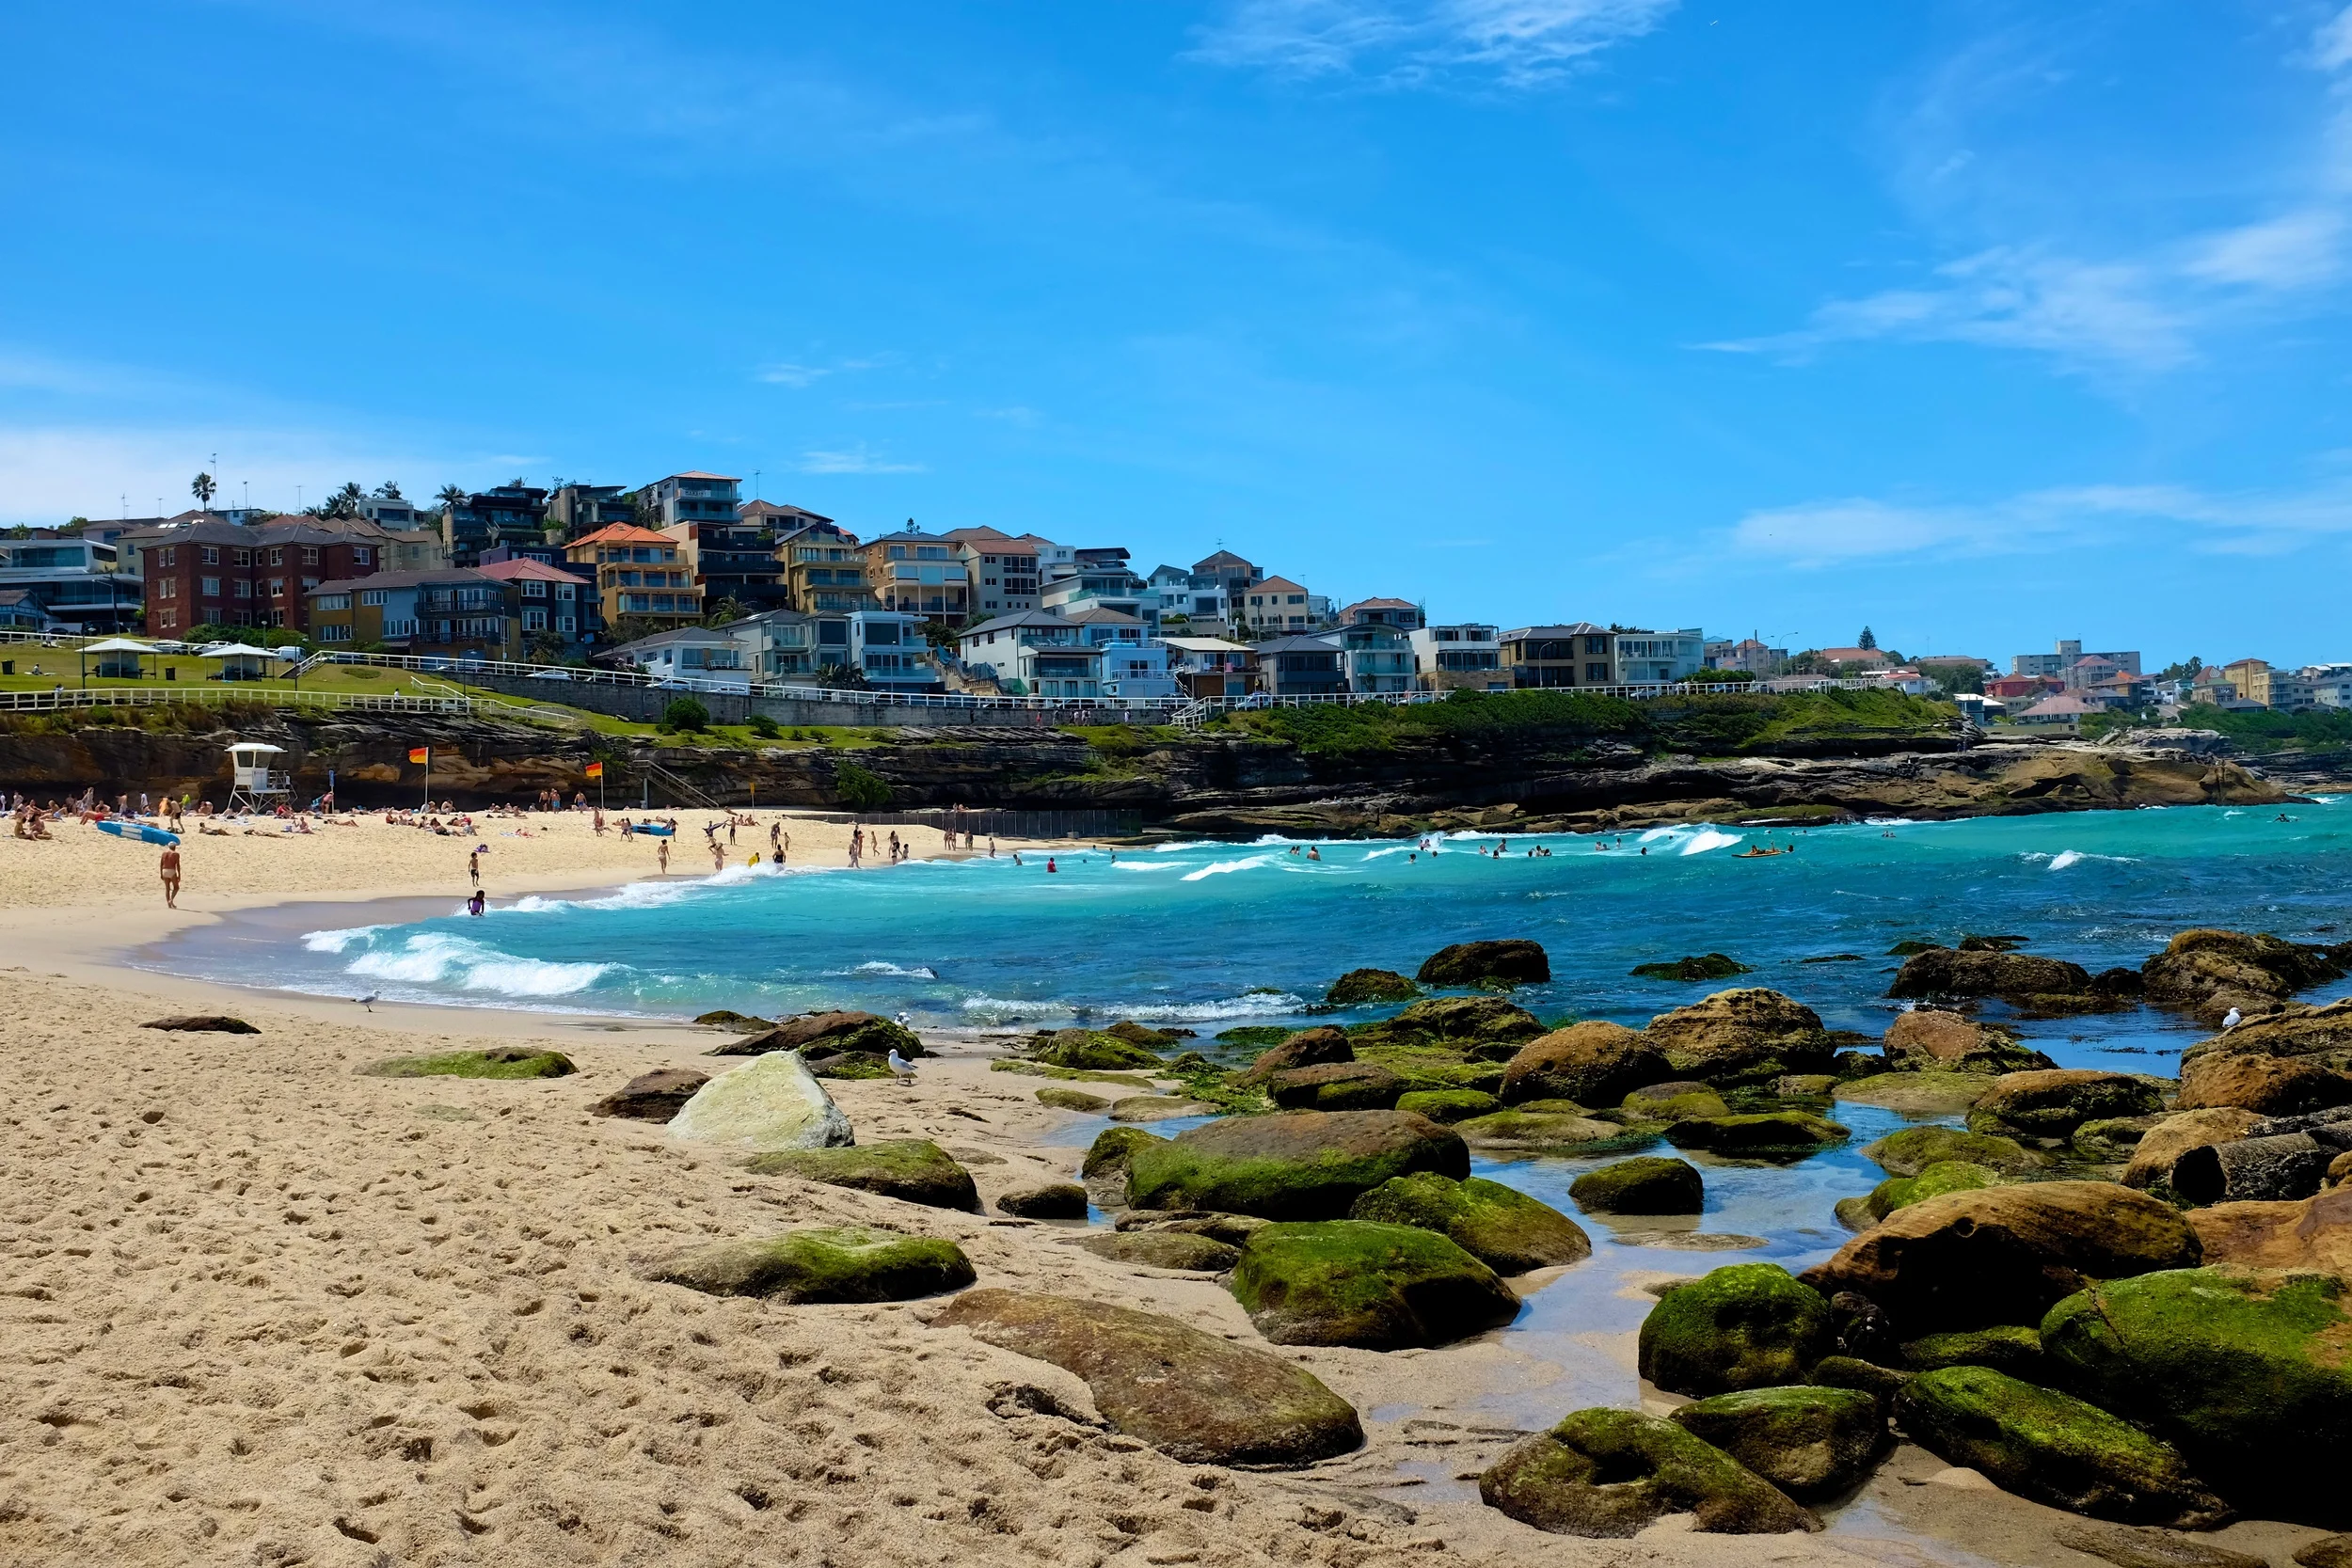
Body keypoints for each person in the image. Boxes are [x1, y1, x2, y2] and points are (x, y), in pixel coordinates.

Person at [159, 844, 180, 909]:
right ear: (175, 847)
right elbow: (178, 865)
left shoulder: (164, 853)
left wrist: (161, 874)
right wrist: (179, 874)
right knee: (176, 887)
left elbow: (161, 864)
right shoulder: (176, 854)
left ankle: (169, 904)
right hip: (171, 870)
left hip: (164, 870)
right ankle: (171, 900)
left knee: (167, 888)